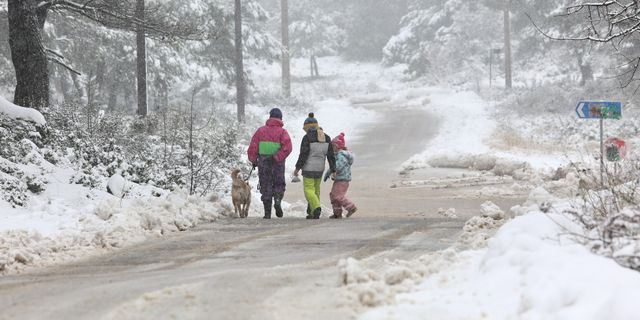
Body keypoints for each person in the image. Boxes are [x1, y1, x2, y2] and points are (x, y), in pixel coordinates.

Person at [248, 108, 293, 219]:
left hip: (264, 162)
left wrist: (253, 160)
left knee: (266, 185)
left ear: (270, 117)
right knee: (278, 184)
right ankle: (277, 200)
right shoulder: (283, 132)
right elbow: (288, 148)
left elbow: (253, 147)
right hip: (278, 163)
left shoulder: (260, 131)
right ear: (280, 118)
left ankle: (267, 213)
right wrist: (277, 157)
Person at [294, 113, 336, 219]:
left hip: (308, 168)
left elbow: (303, 154)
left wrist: (297, 168)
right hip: (320, 169)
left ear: (307, 127)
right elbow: (331, 155)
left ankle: (316, 207)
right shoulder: (326, 137)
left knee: (308, 189)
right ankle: (313, 213)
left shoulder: (307, 138)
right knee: (316, 189)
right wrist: (333, 169)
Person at [324, 133, 357, 219]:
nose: (332, 148)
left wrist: (328, 172)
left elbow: (337, 166)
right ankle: (337, 213)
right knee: (333, 195)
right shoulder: (338, 155)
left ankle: (351, 207)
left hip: (342, 180)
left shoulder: (341, 155)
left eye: (333, 146)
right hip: (339, 179)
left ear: (338, 146)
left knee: (338, 196)